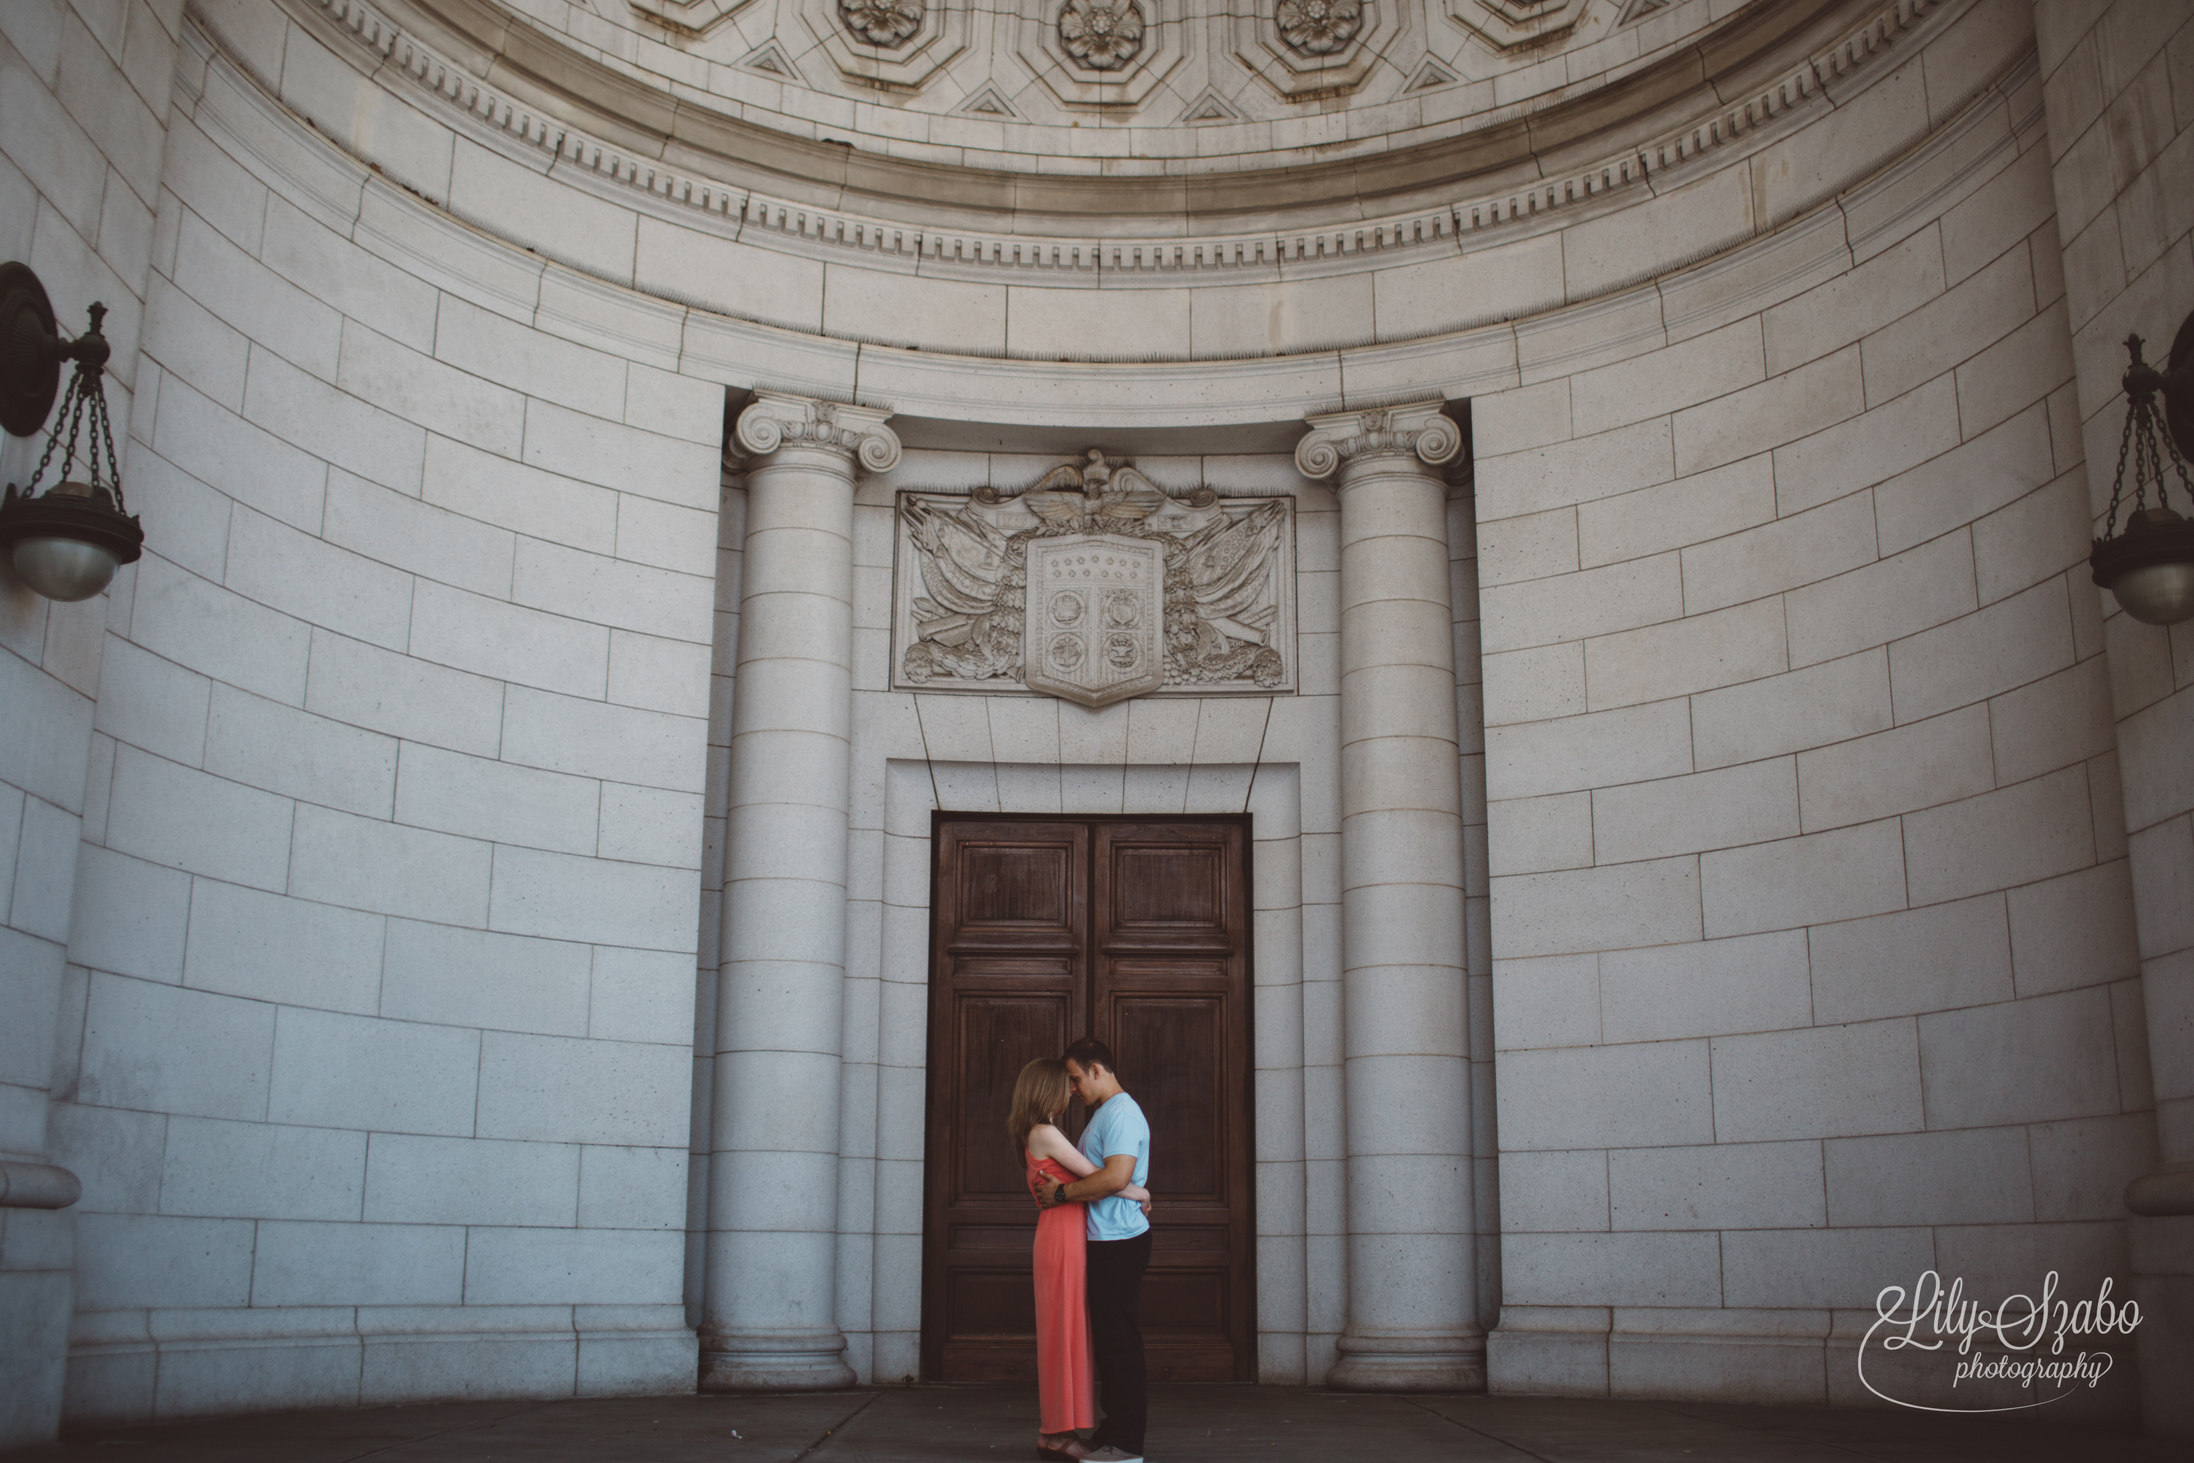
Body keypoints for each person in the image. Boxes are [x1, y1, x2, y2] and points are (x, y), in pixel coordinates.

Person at [1009, 1057, 1152, 1463]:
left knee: (1070, 1333)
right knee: (1063, 1334)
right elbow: (1094, 1172)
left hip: (1070, 1235)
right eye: (1064, 1084)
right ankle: (1054, 1434)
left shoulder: (1048, 1130)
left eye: (1074, 1081)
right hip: (1063, 1238)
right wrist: (1138, 1193)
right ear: (1047, 1090)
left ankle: (1060, 1432)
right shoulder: (1046, 1133)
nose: (1071, 1090)